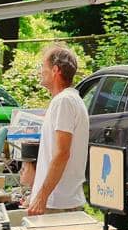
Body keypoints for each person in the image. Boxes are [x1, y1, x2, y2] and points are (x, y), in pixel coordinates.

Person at [26, 45, 88, 216]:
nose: (40, 71)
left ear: (55, 70)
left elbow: (62, 153)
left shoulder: (64, 101)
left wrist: (41, 196)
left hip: (58, 202)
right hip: (60, 200)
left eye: (43, 67)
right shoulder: (68, 100)